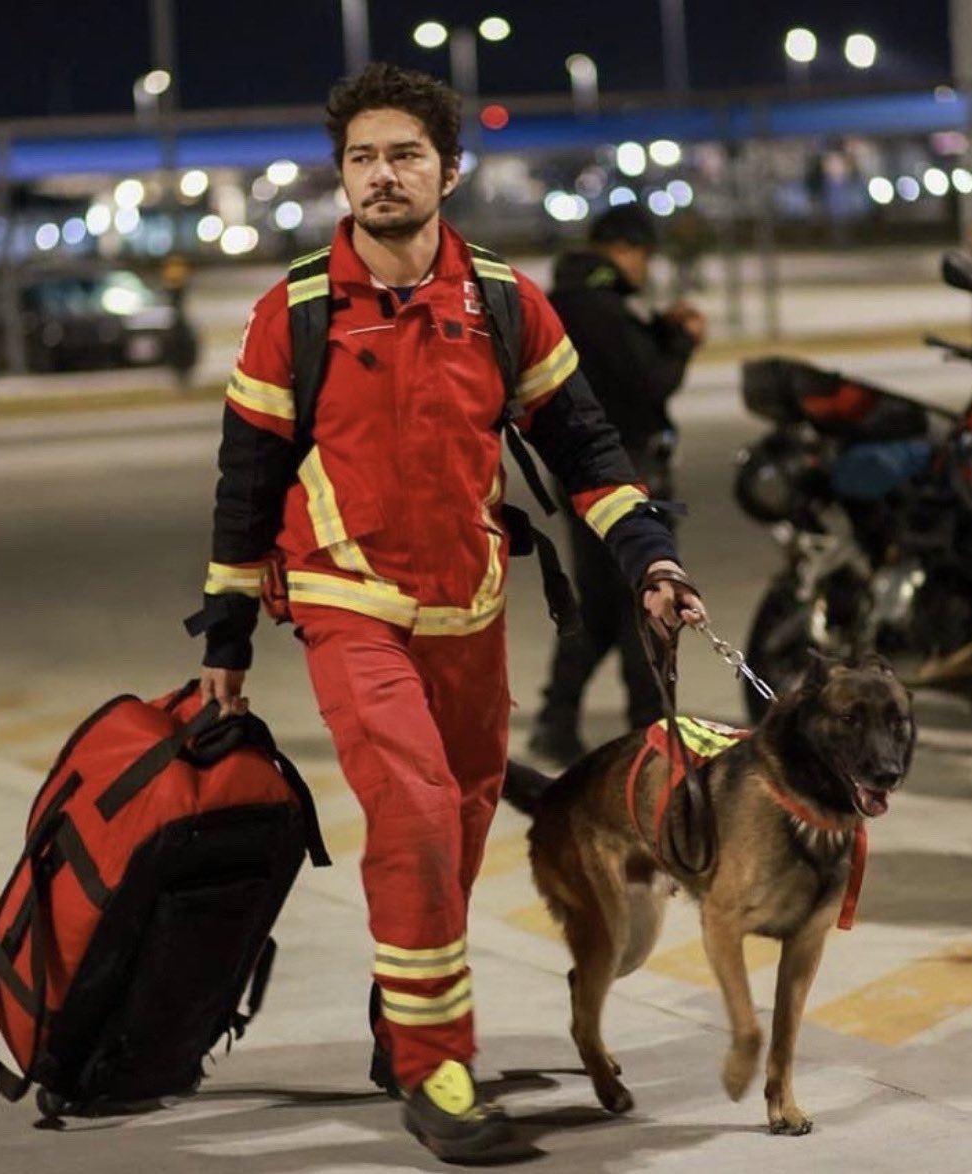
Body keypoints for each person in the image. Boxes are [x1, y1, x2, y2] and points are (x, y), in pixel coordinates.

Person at [193, 62, 705, 1165]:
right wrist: (226, 637)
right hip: (345, 599)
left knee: (466, 816)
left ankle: (405, 1014)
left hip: (468, 605)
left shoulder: (505, 302)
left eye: (405, 155)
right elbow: (244, 485)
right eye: (364, 158)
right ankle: (437, 1071)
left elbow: (585, 450)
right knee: (418, 808)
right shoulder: (296, 311)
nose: (383, 176)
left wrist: (649, 558)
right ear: (342, 177)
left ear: (448, 172)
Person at [528, 202, 708, 767]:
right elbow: (647, 384)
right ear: (623, 250)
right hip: (622, 477)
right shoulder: (598, 308)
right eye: (644, 256)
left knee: (604, 611)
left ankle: (556, 722)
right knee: (646, 605)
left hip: (586, 476)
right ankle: (649, 737)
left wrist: (658, 329)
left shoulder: (576, 302)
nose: (646, 268)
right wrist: (680, 344)